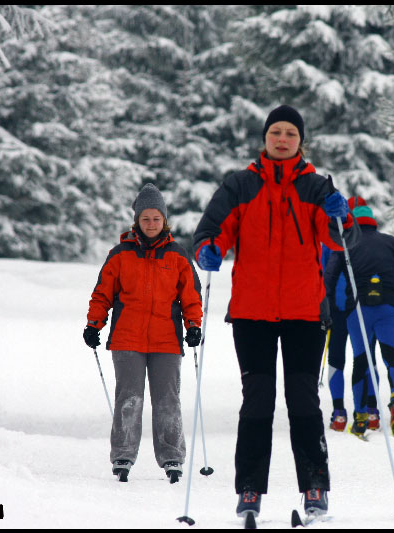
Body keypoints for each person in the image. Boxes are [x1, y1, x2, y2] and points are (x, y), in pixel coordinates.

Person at [192, 104, 358, 520]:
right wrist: (208, 251)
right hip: (251, 315)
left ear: (301, 142)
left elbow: (341, 241)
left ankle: (315, 487)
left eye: (290, 133)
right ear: (265, 138)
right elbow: (209, 232)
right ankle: (249, 490)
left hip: (304, 312)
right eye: (275, 132)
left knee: (303, 399)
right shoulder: (239, 186)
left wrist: (344, 218)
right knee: (258, 401)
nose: (282, 139)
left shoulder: (317, 188)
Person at [83, 183, 203, 484]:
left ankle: (172, 458)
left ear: (165, 221)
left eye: (156, 218)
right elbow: (102, 295)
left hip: (166, 339)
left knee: (168, 400)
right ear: (137, 221)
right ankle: (123, 455)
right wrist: (93, 325)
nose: (151, 224)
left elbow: (191, 297)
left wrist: (194, 326)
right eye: (146, 219)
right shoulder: (120, 255)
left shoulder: (177, 255)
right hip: (127, 338)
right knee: (129, 398)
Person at [325, 199, 394, 439]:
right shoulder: (391, 242)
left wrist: (327, 304)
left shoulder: (345, 245)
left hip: (358, 310)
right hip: (388, 307)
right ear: (373, 222)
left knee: (362, 360)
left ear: (353, 222)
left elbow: (330, 276)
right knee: (392, 356)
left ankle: (360, 417)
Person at [323, 198, 374, 432]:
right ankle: (369, 411)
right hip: (362, 309)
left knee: (336, 360)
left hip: (335, 308)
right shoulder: (372, 242)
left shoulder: (330, 240)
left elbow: (322, 271)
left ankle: (339, 412)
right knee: (364, 358)